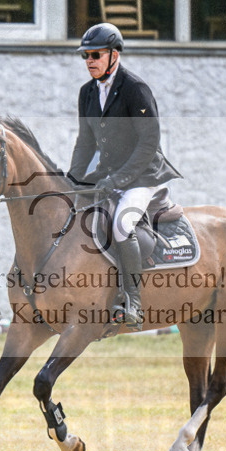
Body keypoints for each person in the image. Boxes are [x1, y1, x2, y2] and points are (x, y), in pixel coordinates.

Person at [68, 23, 182, 329]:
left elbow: (149, 142)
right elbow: (85, 142)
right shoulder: (87, 93)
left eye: (95, 55)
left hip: (143, 176)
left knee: (121, 224)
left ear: (114, 55)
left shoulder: (135, 88)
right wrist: (71, 181)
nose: (89, 60)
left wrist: (118, 180)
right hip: (108, 174)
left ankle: (133, 301)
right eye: (85, 56)